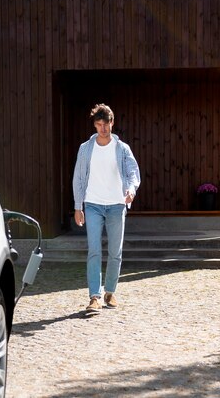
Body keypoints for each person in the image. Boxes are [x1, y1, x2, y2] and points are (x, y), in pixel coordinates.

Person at [72, 104, 141, 312]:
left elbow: (132, 173)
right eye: (98, 124)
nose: (102, 128)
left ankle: (109, 292)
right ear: (95, 124)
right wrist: (78, 206)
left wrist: (131, 190)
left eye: (106, 124)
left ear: (112, 123)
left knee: (115, 252)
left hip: (117, 205)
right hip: (92, 204)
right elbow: (78, 178)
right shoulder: (85, 149)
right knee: (94, 250)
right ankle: (94, 296)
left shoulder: (122, 149)